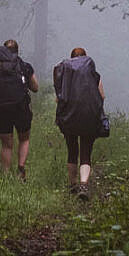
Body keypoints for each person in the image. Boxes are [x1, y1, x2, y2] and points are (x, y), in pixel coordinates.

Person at [53, 47, 105, 201]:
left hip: (69, 117)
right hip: (89, 117)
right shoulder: (92, 73)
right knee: (85, 152)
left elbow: (58, 99)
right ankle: (84, 185)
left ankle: (72, 185)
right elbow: (102, 96)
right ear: (85, 58)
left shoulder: (65, 73)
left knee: (72, 150)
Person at [0, 39, 39, 181]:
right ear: (17, 50)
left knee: (6, 144)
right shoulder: (24, 65)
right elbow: (35, 88)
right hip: (20, 107)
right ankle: (21, 169)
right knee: (24, 139)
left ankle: (5, 174)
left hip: (1, 108)